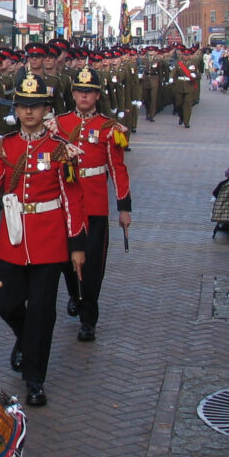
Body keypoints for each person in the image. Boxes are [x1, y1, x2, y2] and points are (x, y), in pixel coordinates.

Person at [0, 70, 87, 406]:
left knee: (42, 312)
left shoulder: (60, 149)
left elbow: (72, 199)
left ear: (45, 109)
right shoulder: (5, 146)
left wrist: (77, 245)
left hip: (50, 242)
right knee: (7, 304)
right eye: (23, 105)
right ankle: (25, 340)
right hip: (12, 239)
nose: (28, 112)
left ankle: (35, 379)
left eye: (35, 106)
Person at [55, 65, 131, 343]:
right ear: (73, 93)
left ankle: (88, 318)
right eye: (79, 91)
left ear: (97, 96)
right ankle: (76, 294)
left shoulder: (109, 129)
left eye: (89, 92)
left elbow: (118, 168)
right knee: (64, 260)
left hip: (95, 205)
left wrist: (124, 207)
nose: (84, 96)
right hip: (66, 203)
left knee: (93, 265)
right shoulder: (59, 125)